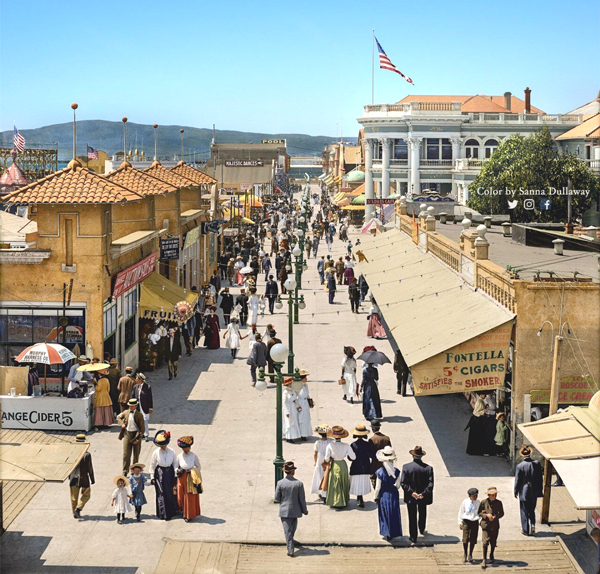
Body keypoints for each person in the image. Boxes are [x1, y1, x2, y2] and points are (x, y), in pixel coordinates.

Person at [274, 461, 308, 558]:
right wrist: (304, 510)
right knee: (291, 530)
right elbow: (302, 499)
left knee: (287, 531)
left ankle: (290, 548)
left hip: (284, 510)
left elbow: (277, 498)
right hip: (295, 510)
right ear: (293, 472)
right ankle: (290, 548)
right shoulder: (299, 484)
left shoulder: (280, 483)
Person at [400, 445, 434, 544]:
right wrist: (423, 494)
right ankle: (422, 528)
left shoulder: (406, 467)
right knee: (422, 512)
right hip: (423, 496)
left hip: (411, 497)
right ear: (421, 456)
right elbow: (430, 484)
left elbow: (403, 483)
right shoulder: (428, 468)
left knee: (412, 516)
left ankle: (413, 536)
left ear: (413, 456)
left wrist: (412, 492)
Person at [374, 446, 403, 541]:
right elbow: (398, 485)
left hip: (384, 493)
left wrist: (375, 496)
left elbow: (377, 486)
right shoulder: (396, 471)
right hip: (393, 493)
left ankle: (386, 531)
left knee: (384, 513)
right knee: (393, 512)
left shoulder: (380, 471)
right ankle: (393, 532)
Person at [514, 445, 543, 536]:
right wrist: (539, 490)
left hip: (524, 491)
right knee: (532, 509)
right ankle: (532, 524)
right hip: (533, 491)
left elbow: (518, 481)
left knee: (524, 511)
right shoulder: (537, 464)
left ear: (522, 455)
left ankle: (525, 530)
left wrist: (515, 491)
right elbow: (540, 478)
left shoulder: (520, 466)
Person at [324, 426, 356, 508]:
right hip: (343, 464)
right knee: (343, 481)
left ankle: (336, 501)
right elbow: (353, 457)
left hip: (335, 464)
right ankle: (344, 500)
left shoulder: (330, 445)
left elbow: (326, 458)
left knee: (335, 483)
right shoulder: (346, 445)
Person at [149, 430, 178, 521]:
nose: (163, 447)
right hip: (160, 474)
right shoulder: (156, 453)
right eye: (161, 446)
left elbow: (175, 464)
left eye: (164, 445)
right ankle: (162, 513)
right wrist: (152, 477)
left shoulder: (172, 452)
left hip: (169, 473)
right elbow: (152, 465)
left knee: (170, 493)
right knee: (161, 493)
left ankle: (171, 512)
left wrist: (176, 475)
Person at [176, 436, 202, 522]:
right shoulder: (179, 456)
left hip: (190, 477)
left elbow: (198, 467)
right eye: (183, 448)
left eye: (186, 448)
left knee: (189, 496)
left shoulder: (194, 456)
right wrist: (178, 470)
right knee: (181, 495)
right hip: (181, 477)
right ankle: (182, 511)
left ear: (190, 447)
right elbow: (175, 467)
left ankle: (188, 515)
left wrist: (192, 471)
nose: (185, 450)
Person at [69, 434, 94, 519]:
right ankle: (78, 508)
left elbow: (68, 466)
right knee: (86, 495)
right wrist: (92, 478)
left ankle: (74, 513)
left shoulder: (72, 453)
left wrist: (69, 476)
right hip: (84, 478)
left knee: (73, 497)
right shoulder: (87, 455)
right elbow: (89, 468)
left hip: (73, 478)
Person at [117, 398, 145, 476]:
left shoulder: (139, 415)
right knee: (126, 454)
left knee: (136, 454)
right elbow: (118, 417)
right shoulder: (125, 412)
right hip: (127, 434)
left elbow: (142, 429)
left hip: (136, 435)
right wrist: (121, 423)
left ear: (135, 406)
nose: (131, 407)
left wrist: (138, 439)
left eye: (132, 406)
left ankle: (134, 470)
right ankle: (125, 470)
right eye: (130, 406)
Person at [350, 424, 374, 508]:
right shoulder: (367, 444)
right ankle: (360, 497)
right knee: (362, 482)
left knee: (357, 482)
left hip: (356, 466)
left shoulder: (353, 445)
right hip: (365, 466)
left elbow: (350, 458)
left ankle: (359, 497)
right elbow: (371, 455)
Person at [479, 487, 504, 568]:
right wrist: (486, 515)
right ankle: (484, 559)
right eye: (493, 495)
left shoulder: (499, 503)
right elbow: (479, 513)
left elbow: (502, 513)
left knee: (493, 541)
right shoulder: (483, 502)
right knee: (485, 542)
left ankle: (491, 554)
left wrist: (495, 516)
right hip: (486, 525)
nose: (494, 496)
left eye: (495, 494)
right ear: (489, 495)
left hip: (495, 524)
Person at [458, 487, 481, 563]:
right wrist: (460, 522)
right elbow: (461, 512)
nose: (475, 497)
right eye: (474, 495)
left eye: (476, 495)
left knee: (473, 538)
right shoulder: (465, 502)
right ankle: (465, 553)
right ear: (469, 495)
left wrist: (480, 521)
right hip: (466, 521)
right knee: (465, 538)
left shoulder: (478, 502)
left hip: (474, 521)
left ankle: (470, 553)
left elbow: (480, 513)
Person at [311, 424, 332, 501]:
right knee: (326, 476)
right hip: (327, 459)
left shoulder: (317, 442)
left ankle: (321, 492)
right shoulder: (330, 442)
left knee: (320, 476)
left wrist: (315, 462)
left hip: (320, 460)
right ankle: (326, 492)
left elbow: (315, 454)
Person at [132, 373, 153, 441]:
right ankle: (141, 434)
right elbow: (133, 397)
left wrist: (150, 408)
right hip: (137, 407)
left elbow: (150, 398)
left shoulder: (147, 387)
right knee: (138, 421)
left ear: (140, 380)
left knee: (145, 420)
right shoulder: (135, 387)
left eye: (137, 378)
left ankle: (146, 434)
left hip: (145, 406)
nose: (135, 379)